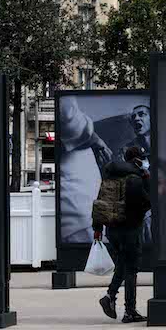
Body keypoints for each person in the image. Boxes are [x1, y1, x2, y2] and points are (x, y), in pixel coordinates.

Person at [95, 146, 151, 324]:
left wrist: (97, 228)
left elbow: (100, 202)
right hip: (130, 229)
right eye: (142, 158)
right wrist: (147, 182)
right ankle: (130, 311)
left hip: (112, 229)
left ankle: (109, 296)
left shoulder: (111, 176)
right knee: (131, 269)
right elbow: (146, 202)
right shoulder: (135, 179)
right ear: (137, 160)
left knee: (121, 263)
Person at [58, 96, 113, 243]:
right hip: (79, 218)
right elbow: (73, 126)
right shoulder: (64, 104)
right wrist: (95, 140)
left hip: (84, 214)